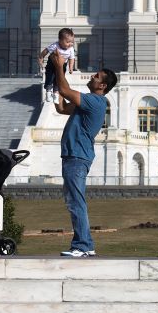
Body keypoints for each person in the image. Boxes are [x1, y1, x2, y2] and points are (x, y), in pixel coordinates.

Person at [50, 49, 117, 257]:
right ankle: (84, 244)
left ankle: (83, 246)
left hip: (77, 157)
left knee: (76, 201)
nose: (92, 77)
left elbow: (65, 88)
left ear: (102, 86)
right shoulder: (88, 103)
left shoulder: (95, 101)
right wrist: (55, 91)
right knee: (74, 200)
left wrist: (58, 66)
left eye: (96, 76)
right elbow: (62, 108)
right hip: (74, 155)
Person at [37, 28, 76, 103]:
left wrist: (71, 67)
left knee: (59, 79)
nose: (70, 44)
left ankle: (56, 93)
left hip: (62, 65)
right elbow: (46, 50)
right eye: (68, 42)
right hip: (52, 64)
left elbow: (72, 58)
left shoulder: (71, 49)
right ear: (60, 40)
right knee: (50, 77)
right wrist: (41, 57)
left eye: (72, 42)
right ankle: (48, 92)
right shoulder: (55, 45)